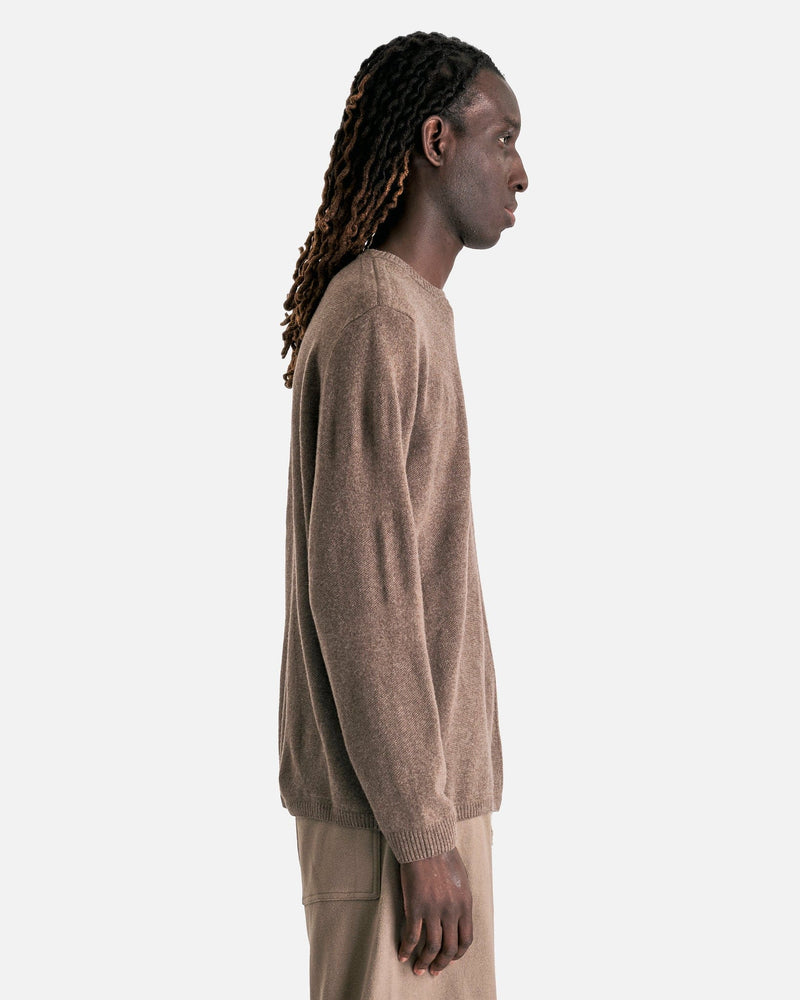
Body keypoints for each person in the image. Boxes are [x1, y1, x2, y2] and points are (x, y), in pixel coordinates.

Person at [278, 30, 528, 999]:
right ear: (434, 141)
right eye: (501, 138)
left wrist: (440, 817)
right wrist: (422, 835)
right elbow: (362, 595)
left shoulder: (408, 312)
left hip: (424, 804)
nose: (519, 171)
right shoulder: (376, 315)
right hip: (391, 822)